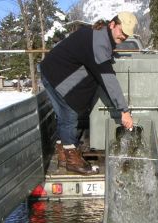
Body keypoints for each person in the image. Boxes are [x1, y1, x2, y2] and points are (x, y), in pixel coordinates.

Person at [40, 12, 137, 175]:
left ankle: (63, 156)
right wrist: (124, 110)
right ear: (112, 24)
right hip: (55, 74)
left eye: (127, 33)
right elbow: (109, 80)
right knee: (70, 114)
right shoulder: (99, 43)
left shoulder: (99, 35)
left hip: (52, 71)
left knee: (65, 116)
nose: (124, 36)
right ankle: (72, 161)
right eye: (122, 31)